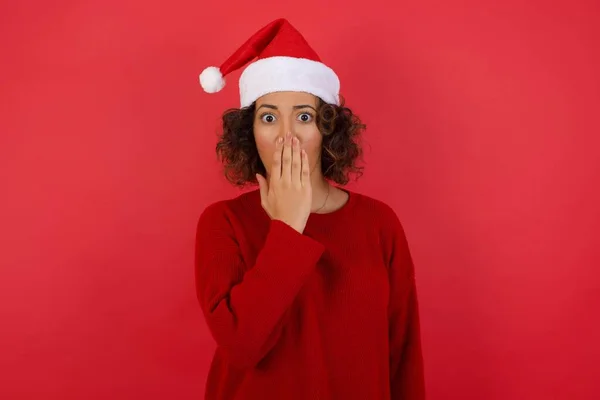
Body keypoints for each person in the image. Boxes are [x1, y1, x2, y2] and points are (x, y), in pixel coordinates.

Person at [194, 18, 425, 400]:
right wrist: (287, 227)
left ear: (328, 127)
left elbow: (402, 357)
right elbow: (241, 345)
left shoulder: (379, 224)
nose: (288, 135)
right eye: (269, 117)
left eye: (304, 116)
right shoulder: (223, 223)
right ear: (249, 131)